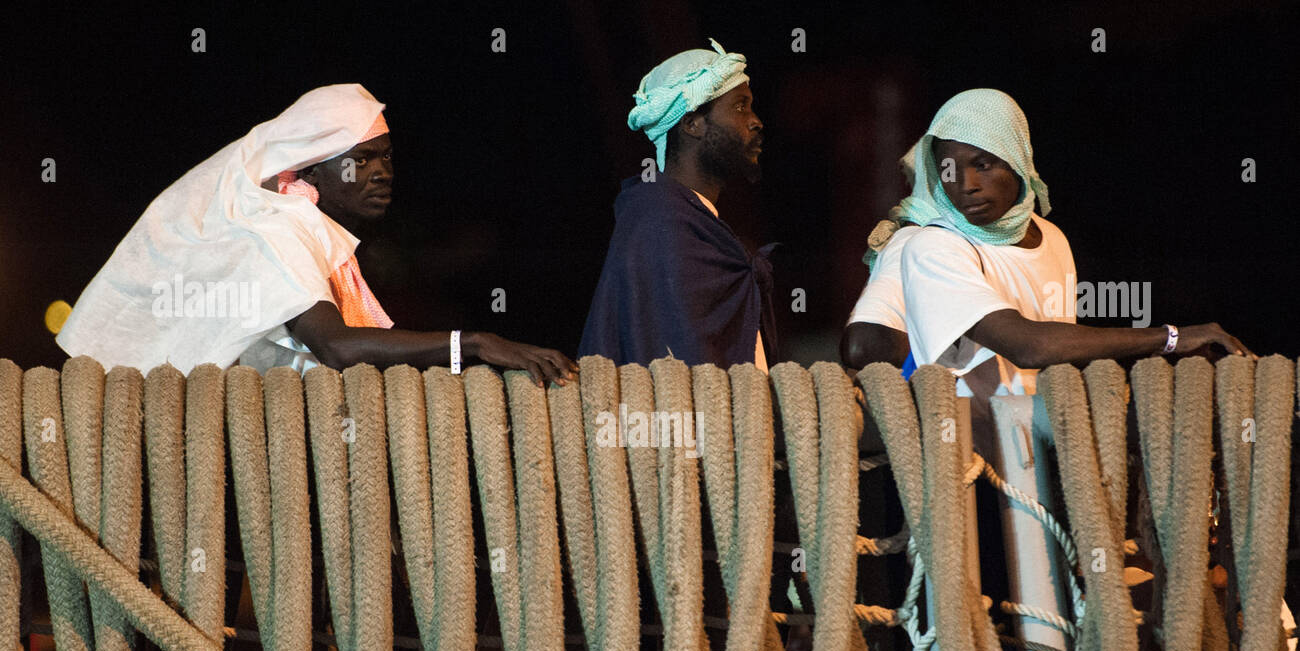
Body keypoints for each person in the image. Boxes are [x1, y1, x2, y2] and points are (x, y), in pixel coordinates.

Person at [57, 84, 577, 386]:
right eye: (361, 159)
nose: (381, 172)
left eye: (387, 156)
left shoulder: (306, 227)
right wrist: (479, 344)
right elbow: (337, 346)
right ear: (309, 171)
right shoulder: (280, 227)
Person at [840, 88, 1252, 451]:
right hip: (967, 457)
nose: (966, 184)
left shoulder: (1051, 237)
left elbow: (1055, 355)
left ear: (1018, 159)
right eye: (949, 169)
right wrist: (1170, 338)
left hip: (1041, 447)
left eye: (983, 164)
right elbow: (1032, 347)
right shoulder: (927, 245)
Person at [578, 40, 776, 370]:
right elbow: (677, 370)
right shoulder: (662, 223)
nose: (756, 121)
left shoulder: (691, 221)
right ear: (692, 124)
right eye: (740, 107)